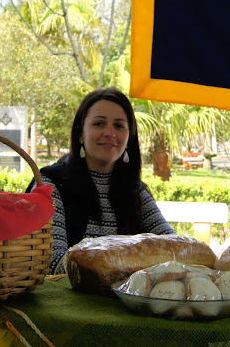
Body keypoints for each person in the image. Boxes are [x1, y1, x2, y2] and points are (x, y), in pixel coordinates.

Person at [26, 88, 175, 274]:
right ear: (81, 133)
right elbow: (54, 263)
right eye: (99, 124)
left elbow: (174, 248)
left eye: (119, 126)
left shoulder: (135, 192)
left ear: (129, 137)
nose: (110, 133)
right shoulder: (50, 185)